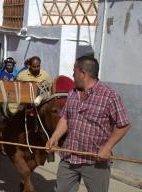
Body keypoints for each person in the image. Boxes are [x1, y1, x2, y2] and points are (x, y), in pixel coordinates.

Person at [46, 56, 131, 192]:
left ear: (83, 74)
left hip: (95, 162)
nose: (72, 75)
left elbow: (124, 125)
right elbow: (65, 118)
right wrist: (55, 137)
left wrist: (107, 147)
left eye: (74, 71)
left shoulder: (109, 96)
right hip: (69, 157)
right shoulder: (72, 94)